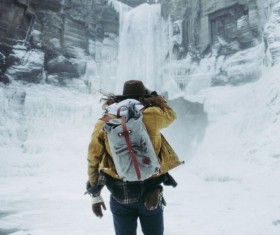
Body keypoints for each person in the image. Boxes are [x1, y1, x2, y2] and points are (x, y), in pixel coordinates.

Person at [86, 80, 182, 235]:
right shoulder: (153, 115)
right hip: (150, 194)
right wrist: (155, 96)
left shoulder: (104, 122)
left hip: (120, 195)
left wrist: (95, 195)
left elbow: (93, 159)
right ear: (143, 97)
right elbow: (171, 115)